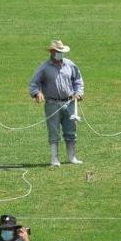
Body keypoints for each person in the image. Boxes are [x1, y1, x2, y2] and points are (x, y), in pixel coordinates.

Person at [29, 39, 85, 167]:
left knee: (71, 130)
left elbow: (78, 80)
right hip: (52, 104)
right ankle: (54, 159)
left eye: (61, 52)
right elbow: (34, 83)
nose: (59, 54)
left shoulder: (70, 65)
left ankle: (72, 157)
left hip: (70, 102)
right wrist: (37, 93)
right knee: (53, 131)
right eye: (57, 51)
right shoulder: (44, 68)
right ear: (52, 52)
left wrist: (79, 92)